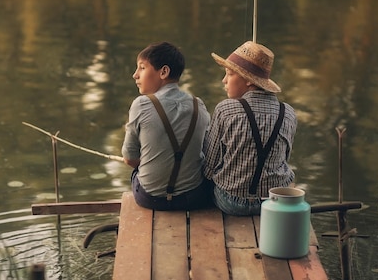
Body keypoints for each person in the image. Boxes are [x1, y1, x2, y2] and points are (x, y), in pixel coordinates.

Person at [203, 40, 297, 216]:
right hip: (274, 201)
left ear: (247, 80)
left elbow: (209, 167)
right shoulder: (289, 113)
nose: (224, 81)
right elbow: (283, 158)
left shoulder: (226, 109)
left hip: (230, 201)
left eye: (229, 74)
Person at [121, 42, 212, 211]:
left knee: (136, 174)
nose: (135, 75)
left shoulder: (141, 104)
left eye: (142, 68)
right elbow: (206, 152)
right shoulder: (198, 104)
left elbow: (129, 158)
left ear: (163, 72)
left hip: (150, 199)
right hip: (193, 198)